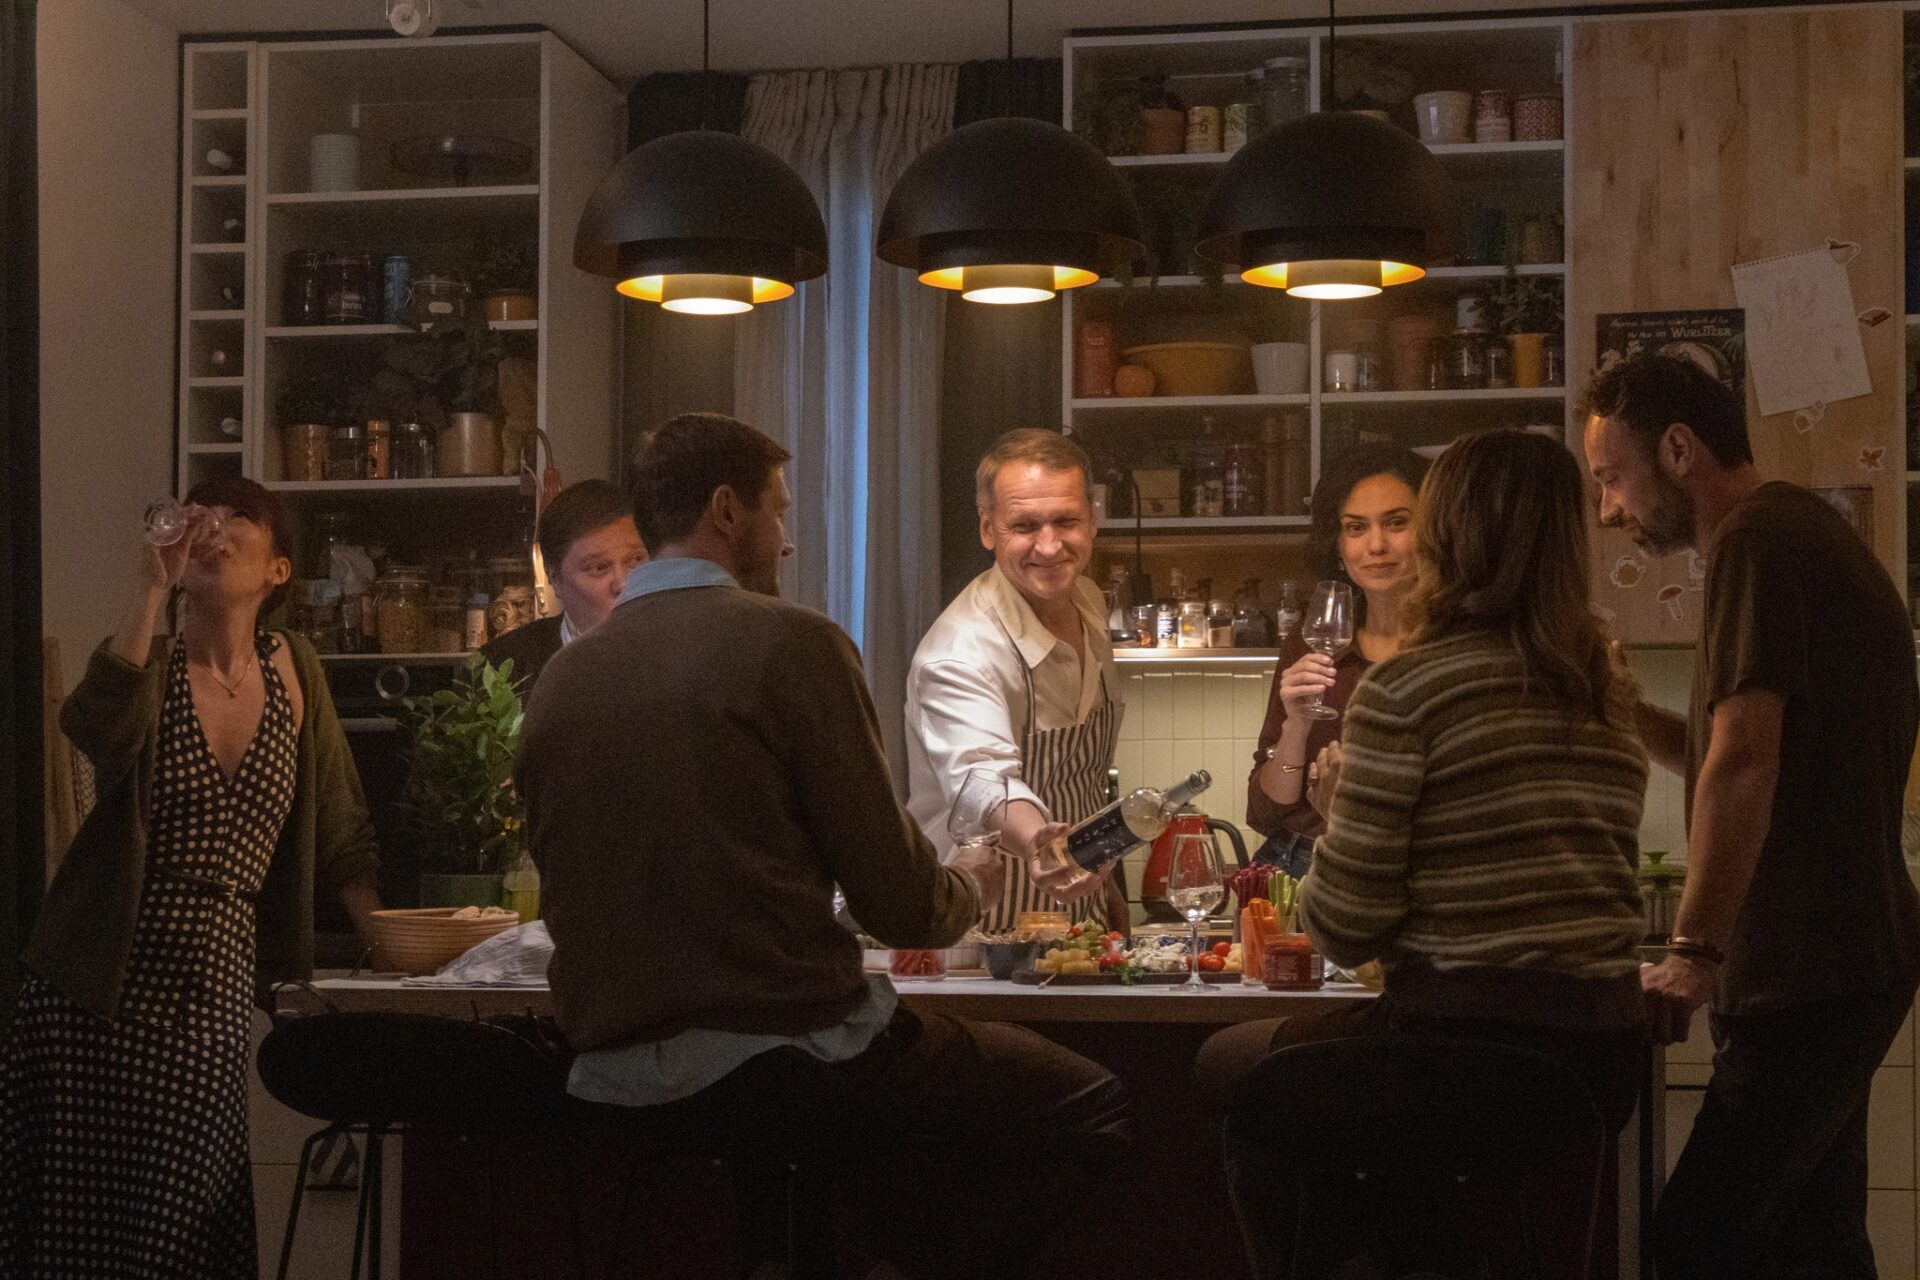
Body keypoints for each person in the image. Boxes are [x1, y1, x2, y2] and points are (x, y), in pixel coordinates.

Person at [518, 412, 1127, 1280]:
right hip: (787, 1057)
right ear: (727, 511)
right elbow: (901, 906)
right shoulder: (793, 644)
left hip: (613, 1073)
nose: (787, 539)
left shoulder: (561, 679)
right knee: (1087, 1100)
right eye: (778, 510)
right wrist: (965, 882)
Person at [1197, 429, 1649, 1278]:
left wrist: (1337, 817)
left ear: (1446, 538)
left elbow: (1345, 929)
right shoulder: (1603, 686)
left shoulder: (1407, 690)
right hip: (1600, 1060)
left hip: (1460, 1055)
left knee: (1231, 1064)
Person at [1583, 354, 1920, 1280]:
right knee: (1815, 1249)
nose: (1607, 510)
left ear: (1678, 450)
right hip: (1846, 959)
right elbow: (1735, 751)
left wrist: (1691, 950)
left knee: (1694, 1247)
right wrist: (1621, 708)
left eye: (1612, 477)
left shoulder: (1754, 545)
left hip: (1806, 967)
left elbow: (1745, 763)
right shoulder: (1800, 531)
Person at [1, 475, 381, 1278]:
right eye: (202, 510)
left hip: (215, 978)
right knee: (80, 1234)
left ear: (278, 570)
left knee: (183, 1214)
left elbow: (343, 825)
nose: (213, 526)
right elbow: (94, 728)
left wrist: (387, 941)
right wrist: (150, 587)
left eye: (239, 515)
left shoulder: (294, 669)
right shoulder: (156, 664)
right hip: (98, 986)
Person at [905, 428, 1131, 933]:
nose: (1049, 546)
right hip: (977, 933)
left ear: (1093, 519)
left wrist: (1107, 890)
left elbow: (1080, 778)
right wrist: (1039, 844)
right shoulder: (960, 652)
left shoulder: (1090, 602)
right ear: (988, 529)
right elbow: (984, 782)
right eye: (1025, 525)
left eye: (1066, 521)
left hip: (1077, 921)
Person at [1245, 447, 1427, 867]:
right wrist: (1296, 726)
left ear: (1432, 530)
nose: (1376, 545)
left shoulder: (1452, 646)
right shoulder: (1310, 644)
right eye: (1356, 527)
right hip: (1299, 863)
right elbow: (1265, 812)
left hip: (1408, 866)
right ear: (1338, 546)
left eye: (1397, 523)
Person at [481, 478, 647, 689]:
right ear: (555, 579)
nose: (623, 584)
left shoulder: (681, 652)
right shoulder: (497, 669)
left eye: (636, 560)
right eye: (598, 568)